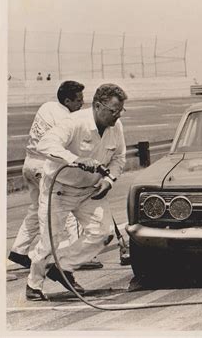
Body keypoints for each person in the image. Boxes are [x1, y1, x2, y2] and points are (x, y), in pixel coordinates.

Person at [26, 83, 127, 301]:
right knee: (50, 239)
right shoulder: (74, 122)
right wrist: (75, 160)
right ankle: (33, 284)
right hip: (59, 189)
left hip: (90, 190)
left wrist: (109, 180)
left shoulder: (116, 127)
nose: (117, 116)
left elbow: (119, 158)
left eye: (120, 111)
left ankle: (61, 267)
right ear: (98, 106)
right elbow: (45, 144)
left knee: (103, 233)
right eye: (113, 111)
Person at [8, 81, 85, 269]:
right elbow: (69, 147)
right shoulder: (67, 119)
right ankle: (78, 255)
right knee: (63, 209)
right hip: (44, 167)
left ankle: (19, 249)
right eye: (79, 100)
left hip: (29, 164)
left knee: (36, 209)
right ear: (67, 100)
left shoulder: (47, 106)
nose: (82, 103)